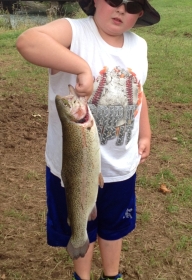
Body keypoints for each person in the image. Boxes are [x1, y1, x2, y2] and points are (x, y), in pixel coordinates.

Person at [16, 0, 160, 279]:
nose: (121, 9)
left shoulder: (139, 46)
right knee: (81, 223)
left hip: (120, 167)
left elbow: (138, 91)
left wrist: (146, 131)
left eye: (131, 6)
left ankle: (112, 275)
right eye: (114, 0)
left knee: (113, 229)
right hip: (72, 172)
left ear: (140, 13)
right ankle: (81, 276)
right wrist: (82, 67)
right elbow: (28, 41)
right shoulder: (75, 34)